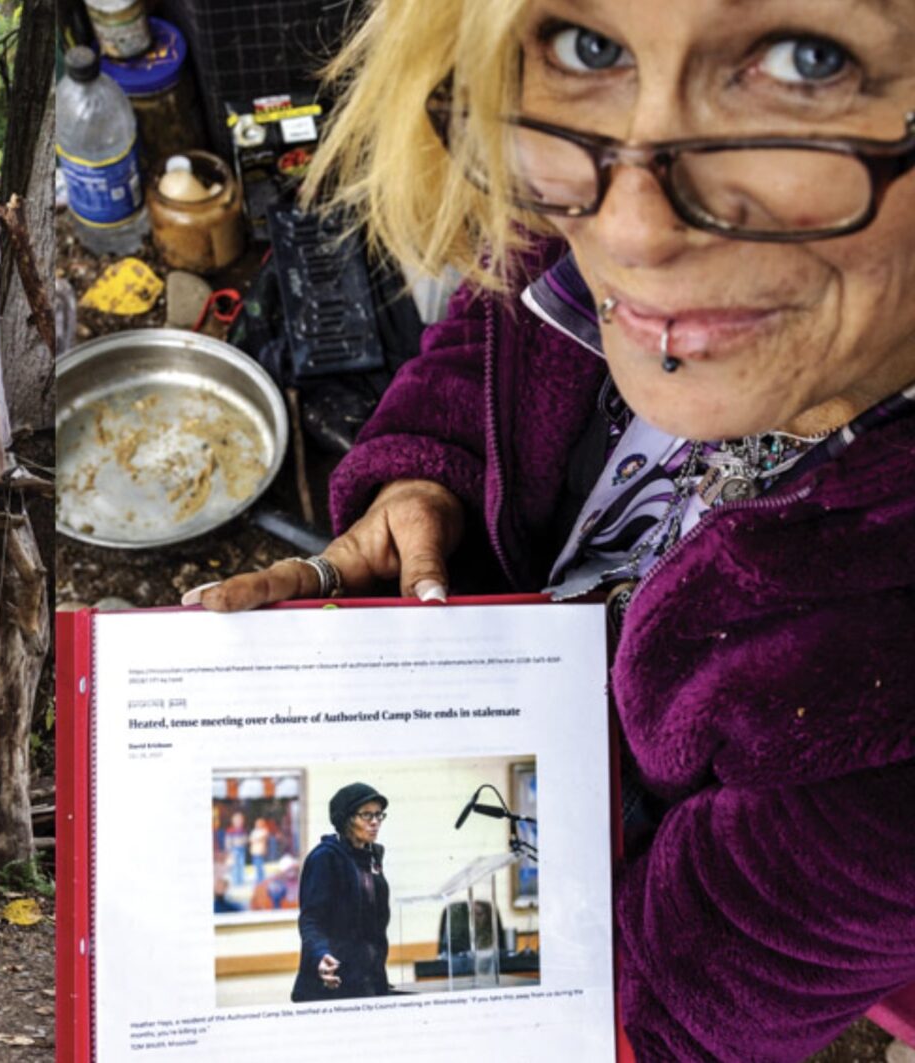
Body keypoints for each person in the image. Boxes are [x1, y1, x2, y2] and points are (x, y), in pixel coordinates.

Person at [189, 0, 915, 1054]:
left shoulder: (880, 708)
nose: (629, 229)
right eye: (589, 46)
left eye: (808, 62)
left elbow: (661, 1019)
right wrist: (429, 476)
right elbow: (502, 315)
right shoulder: (588, 178)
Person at [293, 784, 393, 1003]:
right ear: (346, 820)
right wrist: (320, 955)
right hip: (332, 982)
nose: (375, 821)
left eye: (378, 815)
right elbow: (311, 919)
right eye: (366, 815)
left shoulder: (372, 856)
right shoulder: (325, 857)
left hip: (370, 981)